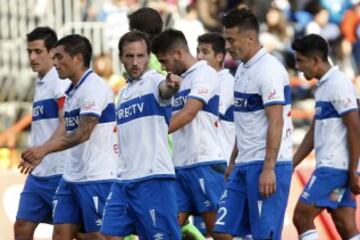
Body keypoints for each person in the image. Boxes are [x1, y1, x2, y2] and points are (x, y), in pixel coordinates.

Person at [20, 34, 118, 240]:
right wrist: (41, 152)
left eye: (59, 57)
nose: (54, 62)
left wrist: (43, 149)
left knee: (97, 236)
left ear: (77, 58)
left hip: (96, 176)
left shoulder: (94, 87)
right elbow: (66, 128)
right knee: (60, 233)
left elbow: (83, 132)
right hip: (71, 177)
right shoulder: (72, 91)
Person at [213, 7, 293, 240]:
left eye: (230, 40)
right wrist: (233, 161)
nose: (227, 46)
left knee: (264, 236)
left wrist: (269, 168)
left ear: (250, 37)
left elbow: (276, 121)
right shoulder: (241, 70)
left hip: (267, 165)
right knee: (221, 231)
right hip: (243, 164)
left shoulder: (269, 70)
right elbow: (244, 121)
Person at [129, 8, 206, 238]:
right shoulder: (150, 60)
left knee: (167, 218)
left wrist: (153, 130)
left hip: (162, 144)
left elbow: (164, 91)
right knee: (171, 217)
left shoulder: (148, 62)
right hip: (171, 144)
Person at [99, 30, 181, 240]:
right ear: (121, 58)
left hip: (153, 179)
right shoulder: (124, 92)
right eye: (129, 56)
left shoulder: (154, 80)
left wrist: (171, 85)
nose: (135, 62)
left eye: (140, 56)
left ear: (148, 56)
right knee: (108, 235)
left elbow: (164, 90)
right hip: (124, 180)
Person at [152, 29, 226, 237]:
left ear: (178, 53)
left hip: (204, 163)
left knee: (218, 233)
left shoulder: (205, 74)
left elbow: (189, 113)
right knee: (165, 231)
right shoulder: (177, 81)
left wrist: (153, 133)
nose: (164, 66)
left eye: (164, 61)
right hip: (179, 166)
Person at [291, 34, 360, 240]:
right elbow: (314, 131)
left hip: (335, 169)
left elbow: (355, 127)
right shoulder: (324, 86)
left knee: (302, 217)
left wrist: (352, 171)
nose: (297, 66)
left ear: (316, 60)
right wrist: (292, 163)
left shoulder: (338, 84)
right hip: (338, 169)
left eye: (300, 61)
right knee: (345, 224)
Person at [14, 26, 70, 240]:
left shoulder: (60, 81)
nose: (32, 57)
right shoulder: (41, 81)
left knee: (74, 232)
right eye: (29, 52)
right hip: (38, 174)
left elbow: (67, 123)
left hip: (59, 171)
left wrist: (42, 151)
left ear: (52, 52)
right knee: (22, 227)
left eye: (38, 51)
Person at [197, 32, 235, 163]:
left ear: (219, 57)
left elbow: (214, 112)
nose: (199, 57)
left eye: (205, 52)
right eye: (198, 51)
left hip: (221, 158)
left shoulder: (227, 81)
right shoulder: (199, 80)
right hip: (202, 157)